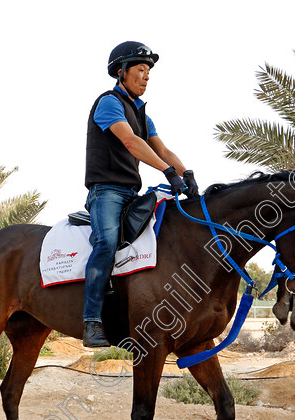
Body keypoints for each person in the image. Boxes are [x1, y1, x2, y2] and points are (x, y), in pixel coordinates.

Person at [82, 41, 199, 348]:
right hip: (106, 191)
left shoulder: (143, 115)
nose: (146, 77)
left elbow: (162, 149)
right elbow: (132, 143)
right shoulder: (109, 103)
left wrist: (186, 174)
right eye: (141, 70)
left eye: (149, 72)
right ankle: (92, 321)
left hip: (131, 193)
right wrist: (166, 172)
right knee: (106, 242)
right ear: (122, 72)